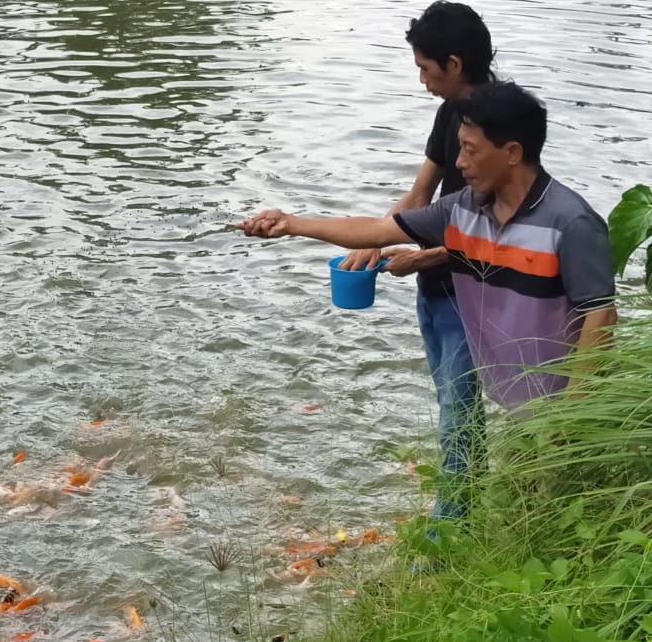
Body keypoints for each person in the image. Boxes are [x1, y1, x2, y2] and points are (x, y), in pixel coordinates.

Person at [241, 81, 616, 437]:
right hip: (518, 405)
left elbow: (600, 314)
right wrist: (291, 224)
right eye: (458, 148)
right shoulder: (462, 211)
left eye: (471, 149)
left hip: (570, 416)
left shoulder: (571, 223)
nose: (460, 162)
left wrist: (571, 414)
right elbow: (375, 230)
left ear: (513, 153)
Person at [340, 0, 495, 515]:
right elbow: (418, 197)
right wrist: (376, 240)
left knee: (458, 413)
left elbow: (497, 231)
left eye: (426, 69)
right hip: (435, 286)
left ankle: (448, 532)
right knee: (453, 405)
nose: (422, 80)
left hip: (472, 291)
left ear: (453, 63)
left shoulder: (500, 123)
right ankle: (460, 509)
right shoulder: (450, 112)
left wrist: (421, 258)